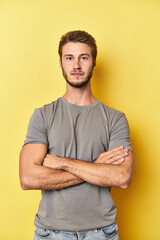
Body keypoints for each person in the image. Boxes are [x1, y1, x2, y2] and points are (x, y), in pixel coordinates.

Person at [19, 30, 134, 240]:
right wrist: (97, 167)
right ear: (61, 63)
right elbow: (28, 178)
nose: (76, 65)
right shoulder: (43, 115)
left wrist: (62, 163)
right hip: (50, 233)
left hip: (102, 233)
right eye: (69, 58)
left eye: (84, 57)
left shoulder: (115, 119)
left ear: (94, 62)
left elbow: (122, 177)